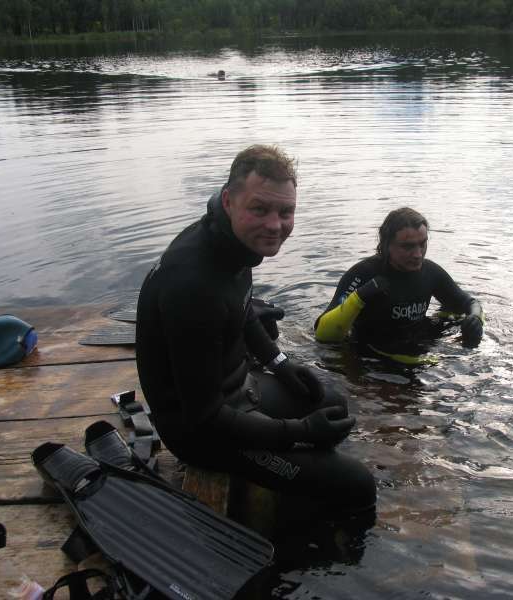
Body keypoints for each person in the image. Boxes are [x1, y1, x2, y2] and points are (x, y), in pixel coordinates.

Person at [135, 145, 375, 515]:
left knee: (331, 403)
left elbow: (243, 311)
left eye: (286, 211)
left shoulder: (230, 243)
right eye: (260, 209)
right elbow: (206, 418)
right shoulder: (193, 285)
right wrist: (302, 433)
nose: (275, 226)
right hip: (205, 434)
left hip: (240, 392)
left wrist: (279, 363)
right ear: (229, 201)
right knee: (358, 486)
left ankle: (302, 480)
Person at [315, 207, 484, 362]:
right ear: (387, 244)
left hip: (420, 346)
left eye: (422, 243)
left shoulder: (430, 272)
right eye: (408, 246)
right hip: (374, 356)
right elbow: (322, 334)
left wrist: (475, 319)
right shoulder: (363, 274)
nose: (418, 254)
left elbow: (469, 303)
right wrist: (359, 297)